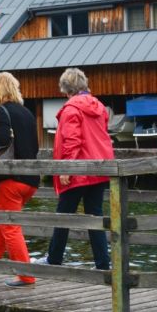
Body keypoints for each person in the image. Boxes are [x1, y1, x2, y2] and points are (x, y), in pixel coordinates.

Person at [46, 68, 113, 269]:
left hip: (78, 171)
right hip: (99, 169)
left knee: (63, 216)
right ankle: (103, 263)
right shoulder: (99, 107)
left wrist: (67, 168)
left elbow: (72, 141)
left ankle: (54, 260)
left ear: (67, 90)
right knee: (95, 216)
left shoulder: (71, 109)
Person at [0, 72, 39, 286]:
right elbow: (35, 146)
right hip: (30, 180)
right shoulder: (26, 112)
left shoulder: (0, 111)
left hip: (9, 180)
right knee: (3, 222)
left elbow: (2, 138)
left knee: (10, 228)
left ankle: (26, 275)